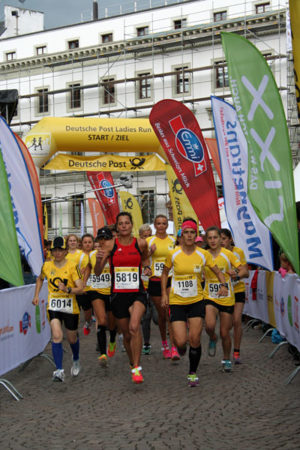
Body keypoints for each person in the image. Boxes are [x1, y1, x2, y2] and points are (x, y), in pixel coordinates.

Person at [161, 218, 228, 387]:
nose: (189, 236)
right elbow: (164, 273)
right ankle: (181, 349)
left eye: (192, 233)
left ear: (196, 235)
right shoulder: (173, 253)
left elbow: (218, 271)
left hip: (197, 300)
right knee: (181, 341)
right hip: (177, 301)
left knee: (195, 339)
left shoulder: (203, 254)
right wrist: (164, 294)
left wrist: (223, 284)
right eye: (186, 233)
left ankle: (192, 373)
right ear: (181, 235)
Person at [95, 212, 151, 384]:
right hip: (118, 294)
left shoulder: (140, 243)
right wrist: (98, 261)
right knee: (127, 335)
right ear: (117, 227)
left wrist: (147, 269)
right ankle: (132, 362)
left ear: (131, 224)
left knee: (135, 326)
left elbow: (146, 259)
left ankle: (137, 367)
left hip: (137, 292)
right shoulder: (110, 245)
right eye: (121, 223)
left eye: (127, 223)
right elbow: (97, 272)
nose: (124, 226)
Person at [32, 236, 83, 382]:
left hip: (70, 306)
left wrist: (67, 289)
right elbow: (40, 278)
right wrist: (36, 295)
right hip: (53, 305)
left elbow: (80, 288)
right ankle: (59, 370)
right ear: (51, 251)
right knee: (56, 335)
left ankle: (76, 359)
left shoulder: (72, 266)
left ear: (66, 251)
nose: (57, 253)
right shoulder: (47, 266)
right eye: (55, 250)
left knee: (72, 338)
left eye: (60, 250)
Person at [204, 226, 249, 372]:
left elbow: (244, 270)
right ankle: (212, 337)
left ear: (219, 239)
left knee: (225, 332)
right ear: (207, 239)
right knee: (209, 326)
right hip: (210, 295)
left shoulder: (228, 254)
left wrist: (235, 273)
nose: (213, 240)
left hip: (227, 297)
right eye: (209, 238)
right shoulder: (203, 254)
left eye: (215, 237)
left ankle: (226, 358)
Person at [146, 215, 179, 360]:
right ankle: (164, 343)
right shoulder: (149, 241)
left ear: (167, 225)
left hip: (170, 278)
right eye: (158, 223)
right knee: (161, 315)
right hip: (155, 280)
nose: (161, 226)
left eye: (164, 223)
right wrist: (149, 253)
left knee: (169, 313)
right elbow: (141, 259)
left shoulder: (173, 240)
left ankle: (173, 347)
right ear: (154, 225)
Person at [220, 228, 248, 364]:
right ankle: (226, 348)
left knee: (237, 320)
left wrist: (236, 275)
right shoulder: (216, 254)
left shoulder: (238, 252)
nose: (221, 242)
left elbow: (246, 272)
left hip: (238, 290)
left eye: (224, 238)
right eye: (220, 239)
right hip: (224, 293)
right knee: (227, 325)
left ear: (230, 239)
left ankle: (236, 352)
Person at [139, 223, 158, 355]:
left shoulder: (156, 245)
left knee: (157, 318)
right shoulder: (139, 246)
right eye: (145, 236)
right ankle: (146, 343)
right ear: (140, 236)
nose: (147, 238)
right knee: (145, 318)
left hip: (155, 283)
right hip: (142, 286)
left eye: (149, 235)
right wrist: (150, 252)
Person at [76, 233, 95, 336]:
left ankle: (87, 323)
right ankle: (74, 331)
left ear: (93, 243)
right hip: (81, 288)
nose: (87, 244)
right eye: (85, 242)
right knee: (79, 311)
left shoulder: (96, 254)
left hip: (94, 287)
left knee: (88, 313)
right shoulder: (78, 255)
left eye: (89, 242)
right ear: (82, 244)